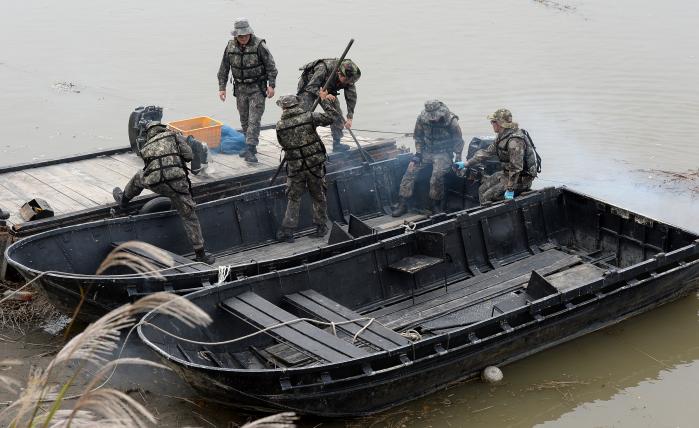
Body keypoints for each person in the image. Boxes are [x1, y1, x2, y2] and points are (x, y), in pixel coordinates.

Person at [112, 121, 215, 265]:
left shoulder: (146, 146)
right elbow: (189, 156)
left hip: (156, 183)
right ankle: (201, 254)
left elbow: (149, 167)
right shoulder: (174, 136)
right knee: (189, 216)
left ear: (149, 132)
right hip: (178, 184)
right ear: (162, 128)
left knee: (138, 177)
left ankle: (123, 200)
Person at [274, 93, 335, 243]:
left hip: (296, 168)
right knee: (318, 195)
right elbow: (331, 117)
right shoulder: (310, 117)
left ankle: (288, 231)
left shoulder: (280, 126)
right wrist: (323, 100)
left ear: (283, 108)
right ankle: (321, 227)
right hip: (314, 165)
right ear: (297, 104)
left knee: (293, 198)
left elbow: (284, 144)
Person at [217, 18, 278, 163]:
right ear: (235, 35)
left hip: (257, 87)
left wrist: (271, 85)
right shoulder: (230, 46)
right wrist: (222, 88)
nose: (243, 38)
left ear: (250, 33)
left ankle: (250, 149)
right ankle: (250, 145)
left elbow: (271, 67)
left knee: (254, 119)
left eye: (245, 35)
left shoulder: (259, 45)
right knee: (244, 119)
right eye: (240, 36)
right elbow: (224, 68)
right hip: (240, 88)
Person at [391, 100, 464, 217]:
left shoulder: (451, 121)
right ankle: (403, 203)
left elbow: (458, 141)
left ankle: (436, 205)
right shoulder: (421, 119)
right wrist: (418, 155)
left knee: (436, 176)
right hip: (426, 152)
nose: (432, 119)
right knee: (410, 171)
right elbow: (418, 138)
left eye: (434, 117)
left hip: (443, 153)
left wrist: (458, 158)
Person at [455, 108, 540, 203]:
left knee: (486, 197)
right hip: (506, 174)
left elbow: (516, 168)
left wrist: (510, 189)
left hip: (521, 179)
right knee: (481, 190)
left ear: (500, 123)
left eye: (493, 121)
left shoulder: (514, 141)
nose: (491, 124)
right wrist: (466, 164)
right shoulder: (502, 136)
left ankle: (493, 214)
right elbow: (486, 152)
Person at [296, 58, 361, 152]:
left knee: (336, 114)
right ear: (339, 73)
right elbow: (311, 86)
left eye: (350, 81)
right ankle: (300, 145)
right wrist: (323, 95)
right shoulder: (323, 68)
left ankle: (337, 144)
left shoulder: (349, 78)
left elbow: (351, 96)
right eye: (346, 80)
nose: (348, 83)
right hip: (309, 87)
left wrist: (350, 117)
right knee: (302, 116)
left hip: (328, 90)